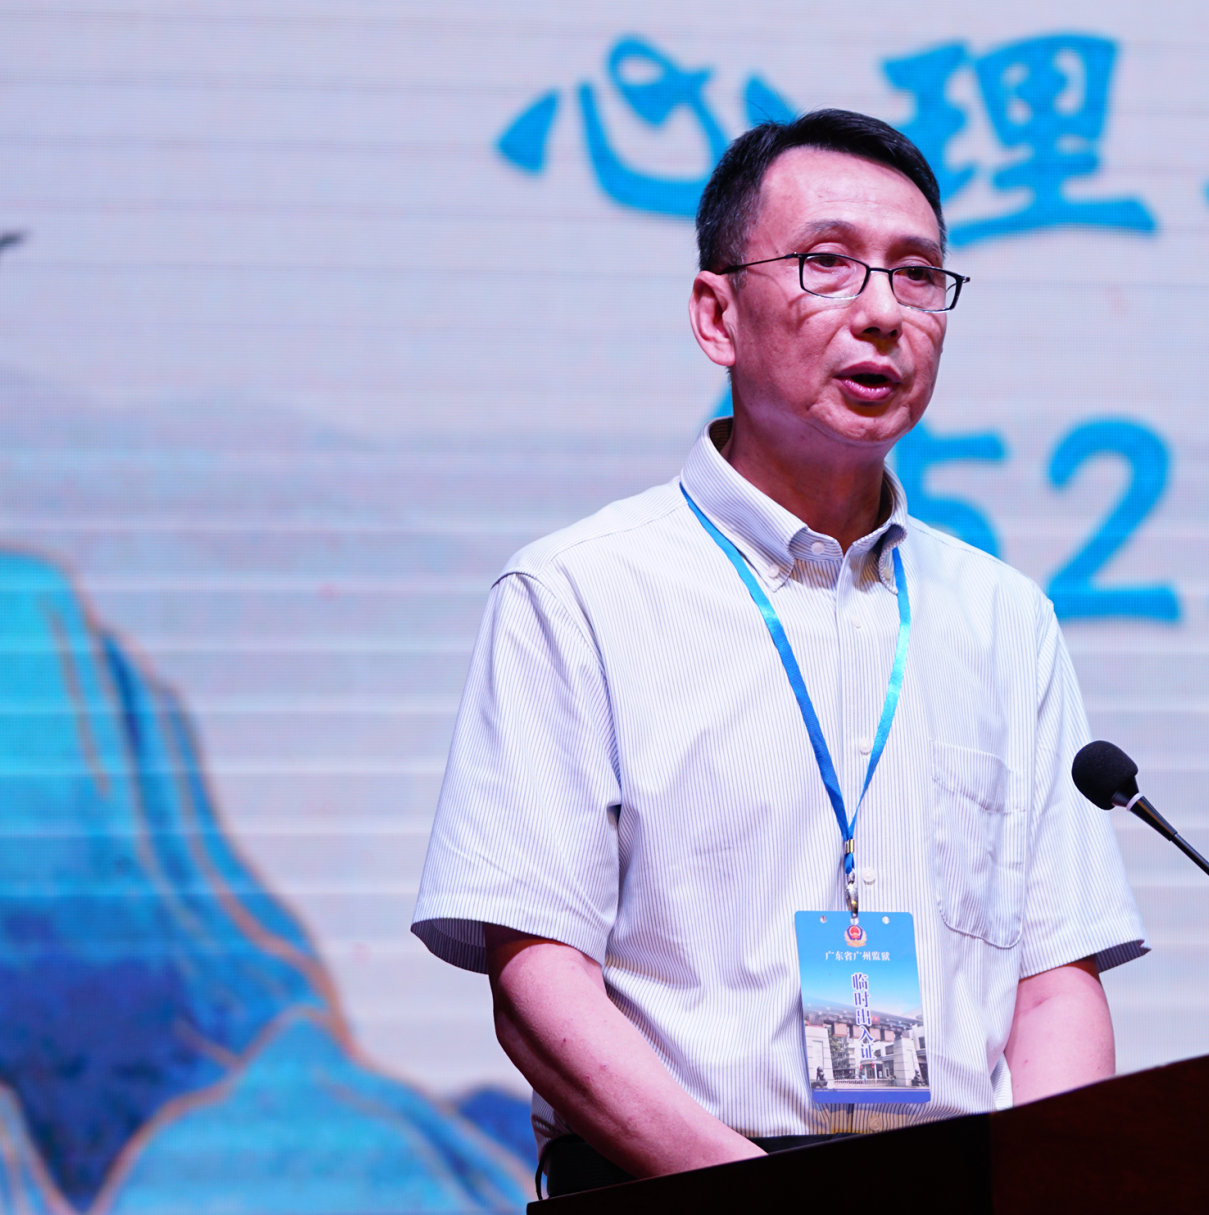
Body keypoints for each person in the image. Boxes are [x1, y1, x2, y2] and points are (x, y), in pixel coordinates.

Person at [411, 109, 1147, 1197]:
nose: (882, 314)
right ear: (717, 315)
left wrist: (1039, 1192)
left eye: (917, 275)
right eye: (827, 265)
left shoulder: (1005, 619)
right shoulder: (577, 594)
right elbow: (538, 981)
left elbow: (1054, 985)